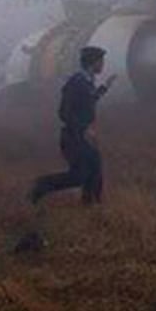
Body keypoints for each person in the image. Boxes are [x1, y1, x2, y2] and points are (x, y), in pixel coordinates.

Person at [30, 46, 117, 205]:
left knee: (95, 173)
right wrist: (83, 130)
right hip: (74, 136)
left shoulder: (86, 82)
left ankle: (91, 207)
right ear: (93, 62)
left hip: (81, 135)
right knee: (79, 176)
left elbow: (89, 101)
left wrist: (104, 88)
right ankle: (41, 185)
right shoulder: (76, 83)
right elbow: (64, 113)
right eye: (101, 61)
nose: (103, 65)